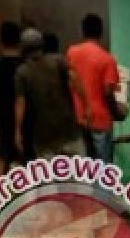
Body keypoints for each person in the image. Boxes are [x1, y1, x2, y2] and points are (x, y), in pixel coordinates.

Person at [14, 29, 88, 159]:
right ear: (41, 45)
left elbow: (21, 104)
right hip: (69, 131)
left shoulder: (22, 72)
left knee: (49, 177)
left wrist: (17, 131)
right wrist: (87, 105)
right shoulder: (58, 61)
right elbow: (75, 79)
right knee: (79, 173)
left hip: (43, 138)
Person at [66, 13, 119, 163]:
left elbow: (69, 81)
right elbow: (108, 93)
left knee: (82, 168)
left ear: (83, 31)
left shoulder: (71, 53)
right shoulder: (107, 59)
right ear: (101, 32)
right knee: (103, 169)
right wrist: (116, 111)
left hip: (78, 118)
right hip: (101, 119)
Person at [0, 21, 24, 172]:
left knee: (3, 159)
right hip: (26, 120)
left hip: (3, 117)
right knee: (27, 160)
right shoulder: (24, 65)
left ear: (1, 39)